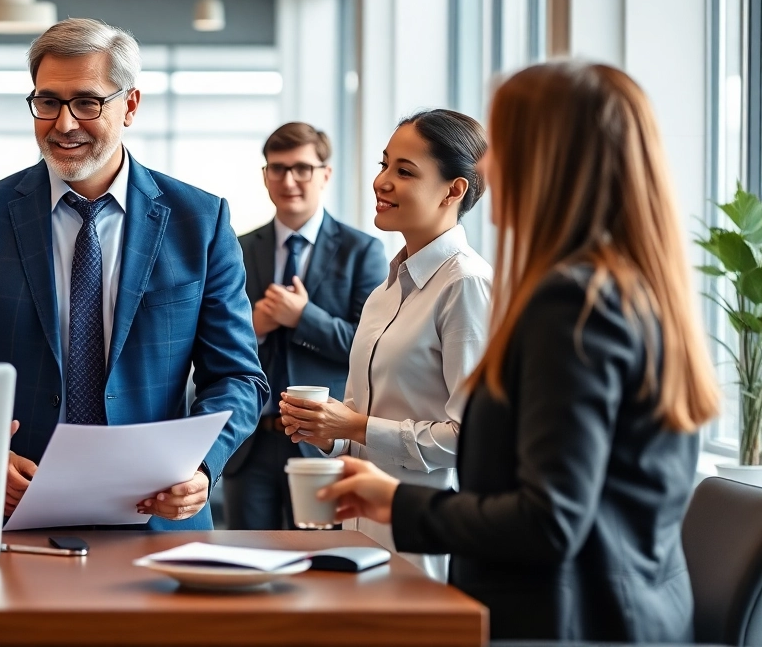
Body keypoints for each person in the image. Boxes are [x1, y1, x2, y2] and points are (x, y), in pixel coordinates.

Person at [320, 61, 719, 642]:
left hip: (566, 620)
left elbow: (548, 521)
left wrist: (395, 502)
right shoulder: (624, 288)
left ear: (548, 162)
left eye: (499, 147)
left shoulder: (570, 305)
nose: (484, 170)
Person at [0, 18, 266, 530]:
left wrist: (200, 465)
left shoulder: (200, 220)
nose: (63, 124)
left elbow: (237, 375)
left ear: (130, 105)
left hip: (158, 513)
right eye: (48, 102)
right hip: (13, 507)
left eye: (87, 102)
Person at [279, 109, 490, 580]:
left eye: (404, 171)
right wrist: (329, 433)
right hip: (359, 532)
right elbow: (362, 416)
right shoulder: (385, 290)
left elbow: (471, 439)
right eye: (384, 165)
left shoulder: (466, 285)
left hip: (426, 536)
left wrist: (355, 424)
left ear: (454, 190)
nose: (382, 182)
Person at [222, 122, 386, 530]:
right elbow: (215, 343)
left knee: (322, 567)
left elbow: (370, 347)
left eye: (302, 168)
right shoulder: (236, 248)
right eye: (276, 168)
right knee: (247, 559)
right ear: (265, 176)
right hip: (251, 440)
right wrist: (254, 326)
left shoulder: (362, 250)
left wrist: (303, 318)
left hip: (321, 440)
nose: (288, 180)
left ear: (325, 174)